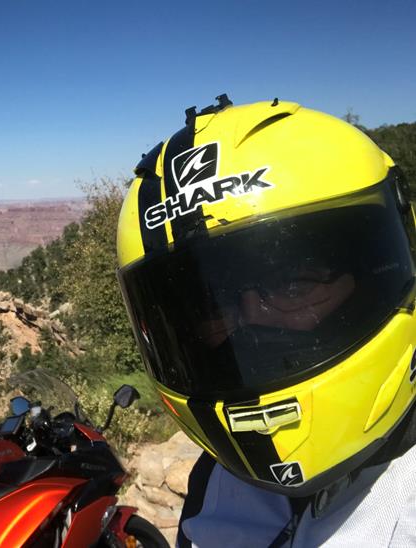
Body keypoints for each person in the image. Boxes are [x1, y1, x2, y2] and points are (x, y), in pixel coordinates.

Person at [115, 95, 416, 547]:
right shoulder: (216, 484)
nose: (254, 328)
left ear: (381, 273)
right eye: (213, 308)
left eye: (294, 285)